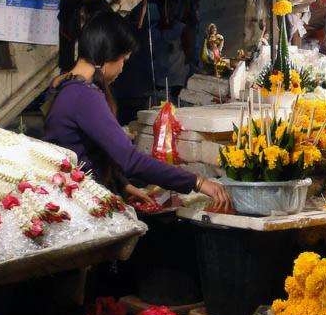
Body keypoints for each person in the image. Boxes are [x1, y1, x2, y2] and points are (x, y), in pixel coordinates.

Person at [42, 11, 231, 212]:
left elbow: (82, 149)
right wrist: (198, 182)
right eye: (123, 59)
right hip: (80, 206)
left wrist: (124, 185)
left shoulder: (62, 82)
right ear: (108, 55)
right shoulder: (84, 95)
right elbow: (131, 160)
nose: (122, 68)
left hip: (70, 193)